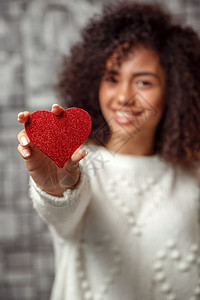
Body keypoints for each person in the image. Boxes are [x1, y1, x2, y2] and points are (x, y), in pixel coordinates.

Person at [17, 2, 200, 300]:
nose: (125, 96)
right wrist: (55, 188)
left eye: (143, 81)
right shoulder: (79, 165)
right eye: (112, 78)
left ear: (175, 89)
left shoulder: (193, 173)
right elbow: (63, 213)